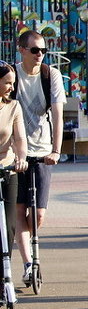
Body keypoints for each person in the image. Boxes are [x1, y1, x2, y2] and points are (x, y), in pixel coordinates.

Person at [12, 29, 64, 287]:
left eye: (43, 50)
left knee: (38, 214)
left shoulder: (50, 75)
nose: (40, 55)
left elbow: (57, 114)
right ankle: (28, 262)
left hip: (42, 151)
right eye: (34, 50)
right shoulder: (12, 76)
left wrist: (56, 150)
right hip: (14, 153)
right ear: (21, 50)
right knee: (19, 209)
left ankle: (29, 245)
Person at [0, 63, 29, 251]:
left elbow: (20, 137)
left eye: (13, 83)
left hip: (7, 168)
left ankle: (5, 270)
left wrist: (21, 158)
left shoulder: (14, 106)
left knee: (9, 225)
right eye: (7, 83)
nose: (11, 87)